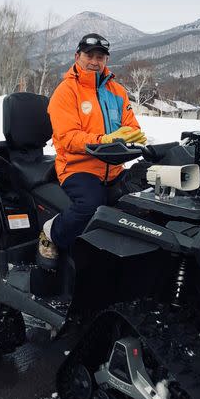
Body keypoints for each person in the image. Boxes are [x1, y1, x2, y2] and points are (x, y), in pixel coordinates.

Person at [38, 32, 147, 267]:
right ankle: (52, 233)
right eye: (90, 55)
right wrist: (104, 140)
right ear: (77, 56)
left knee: (141, 202)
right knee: (91, 205)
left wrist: (129, 139)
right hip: (78, 168)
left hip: (113, 168)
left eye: (101, 57)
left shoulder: (117, 91)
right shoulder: (66, 92)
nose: (95, 62)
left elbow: (132, 126)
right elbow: (67, 137)